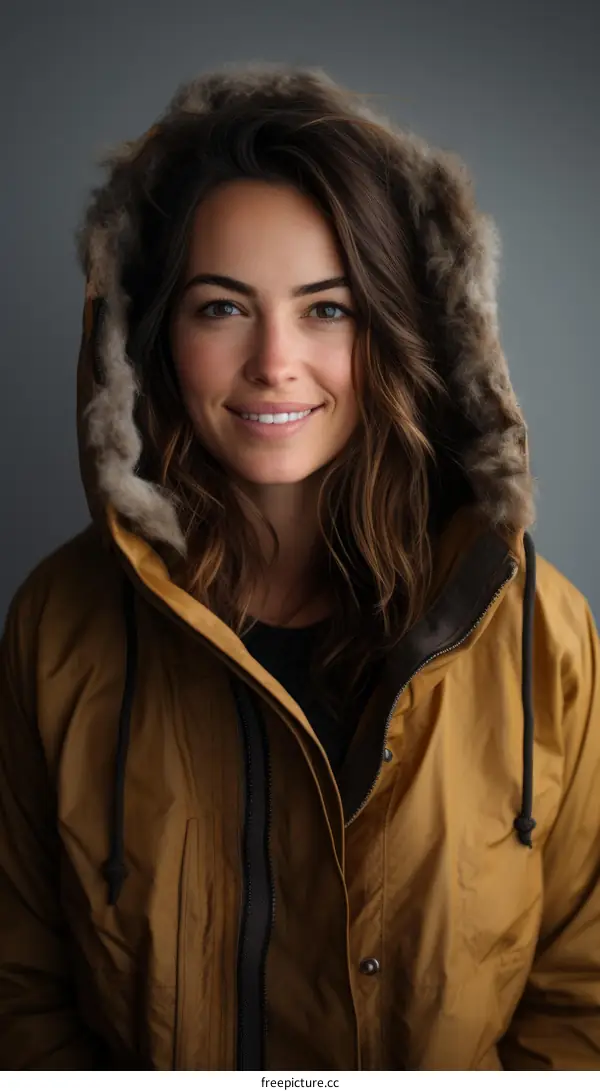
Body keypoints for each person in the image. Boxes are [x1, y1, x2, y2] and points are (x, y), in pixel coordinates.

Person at [0, 62, 599, 1073]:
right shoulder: (61, 626)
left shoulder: (539, 631)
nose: (275, 360)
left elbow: (582, 995)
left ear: (398, 326)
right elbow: (21, 989)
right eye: (221, 307)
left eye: (328, 309)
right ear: (152, 335)